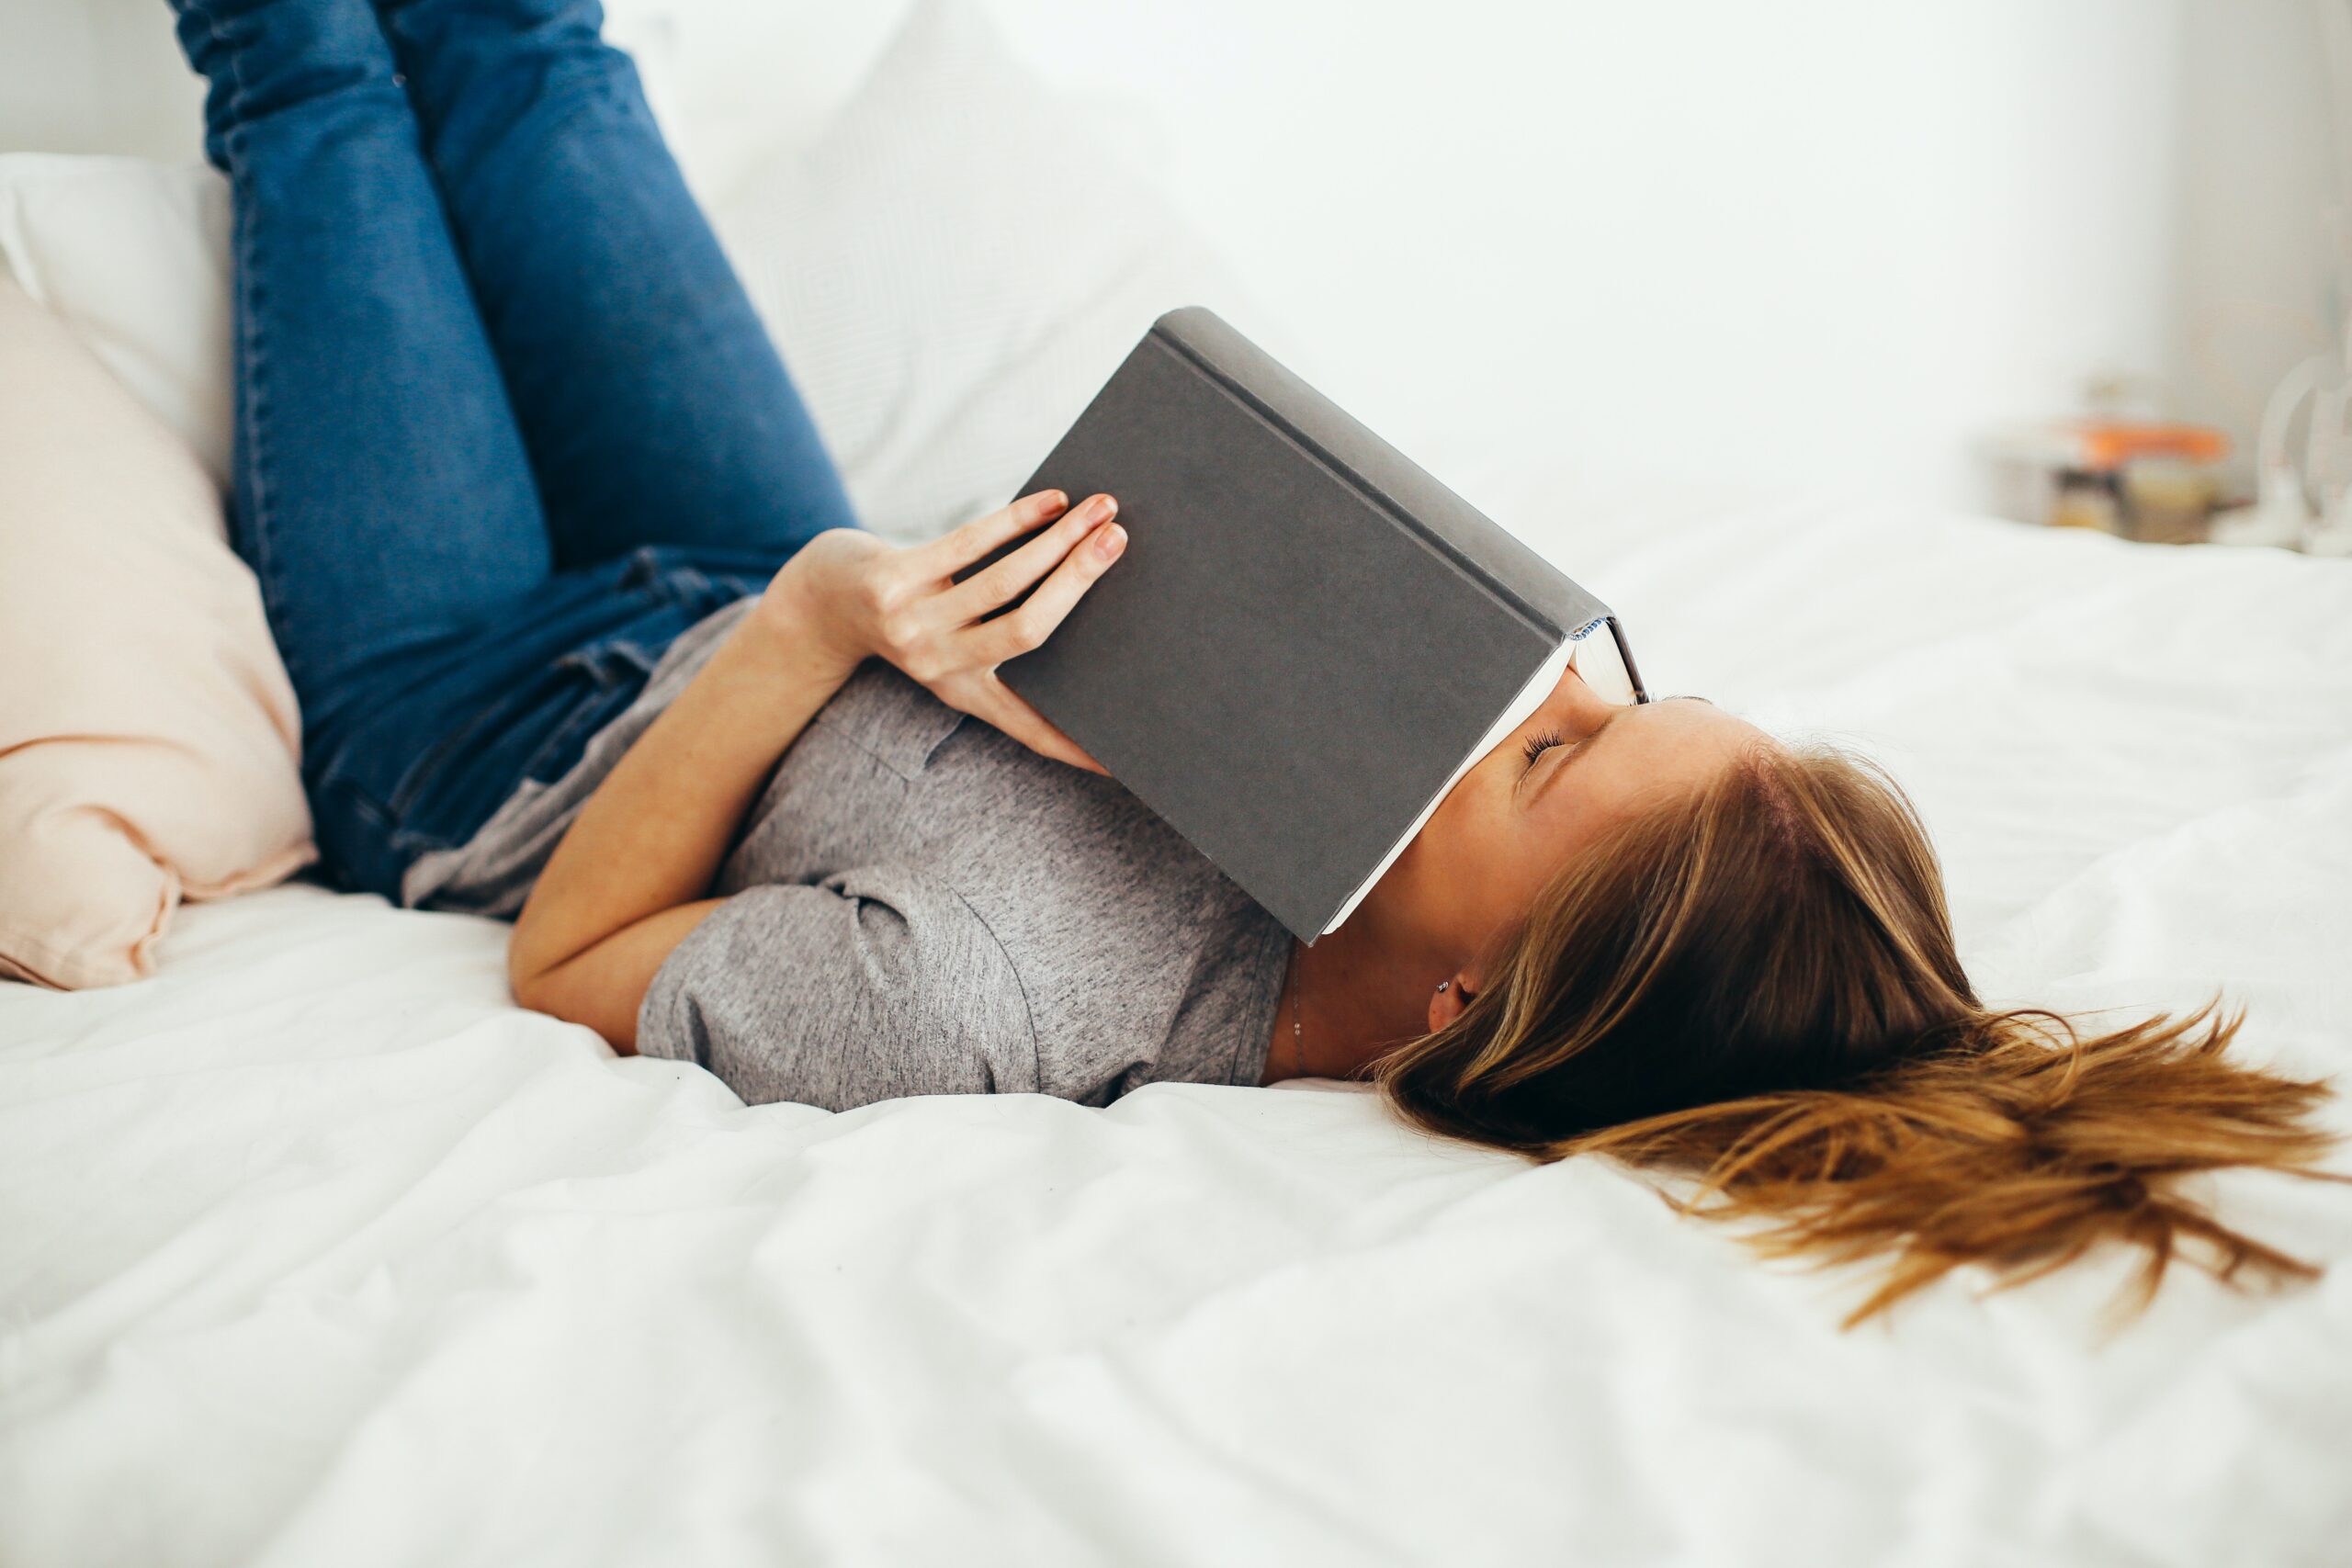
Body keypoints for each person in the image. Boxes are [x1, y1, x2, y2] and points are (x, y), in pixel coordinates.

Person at [172, 0, 2337, 1322]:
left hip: (489, 721)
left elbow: (570, 957)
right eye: (1595, 681)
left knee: (319, 71)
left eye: (1551, 754)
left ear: (1477, 1002)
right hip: (760, 561)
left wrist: (824, 612)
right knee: (525, 41)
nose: (1511, 691)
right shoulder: (1344, 773)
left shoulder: (989, 1000)